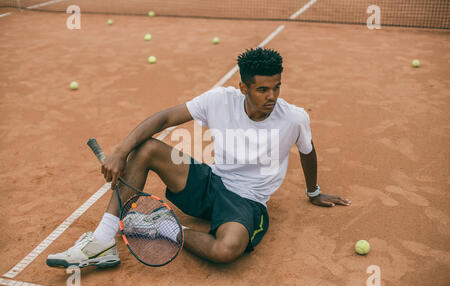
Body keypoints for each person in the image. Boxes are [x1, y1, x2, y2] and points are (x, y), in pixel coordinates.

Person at [47, 47, 350, 269]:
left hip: (246, 201)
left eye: (276, 87)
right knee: (148, 148)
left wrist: (314, 192)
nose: (271, 96)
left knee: (226, 250)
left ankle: (160, 228)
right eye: (262, 89)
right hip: (210, 182)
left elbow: (308, 152)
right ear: (243, 87)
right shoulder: (219, 100)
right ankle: (102, 241)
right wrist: (120, 151)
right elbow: (165, 117)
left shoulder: (294, 118)